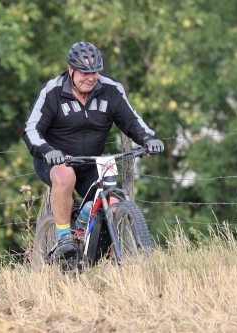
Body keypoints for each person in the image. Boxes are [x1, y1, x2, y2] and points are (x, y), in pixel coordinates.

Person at [23, 42, 164, 259]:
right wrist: (46, 150)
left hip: (91, 162)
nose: (90, 78)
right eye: (84, 73)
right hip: (54, 161)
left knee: (113, 204)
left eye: (95, 72)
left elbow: (131, 119)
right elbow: (31, 128)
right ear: (71, 70)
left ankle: (101, 257)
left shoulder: (110, 89)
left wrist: (147, 138)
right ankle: (64, 238)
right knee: (65, 173)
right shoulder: (52, 91)